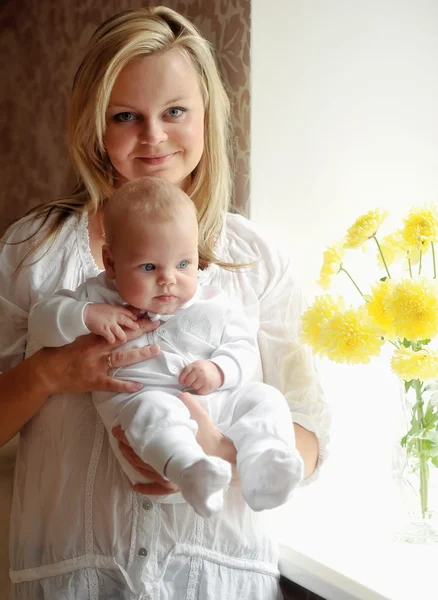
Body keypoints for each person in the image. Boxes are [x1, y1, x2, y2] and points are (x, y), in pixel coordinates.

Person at [0, 6, 329, 599]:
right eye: (126, 116)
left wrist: (219, 452)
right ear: (93, 124)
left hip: (216, 578)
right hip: (75, 578)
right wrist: (51, 371)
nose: (153, 136)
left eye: (175, 111)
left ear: (207, 116)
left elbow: (309, 427)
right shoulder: (34, 252)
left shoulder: (257, 258)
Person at [28, 176, 304, 519]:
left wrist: (219, 370)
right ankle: (191, 469)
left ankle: (266, 463)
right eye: (148, 267)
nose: (168, 279)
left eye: (184, 264)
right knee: (153, 409)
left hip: (216, 411)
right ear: (112, 263)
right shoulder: (96, 296)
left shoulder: (214, 302)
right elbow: (40, 320)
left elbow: (243, 348)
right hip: (149, 431)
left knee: (265, 399)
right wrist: (84, 315)